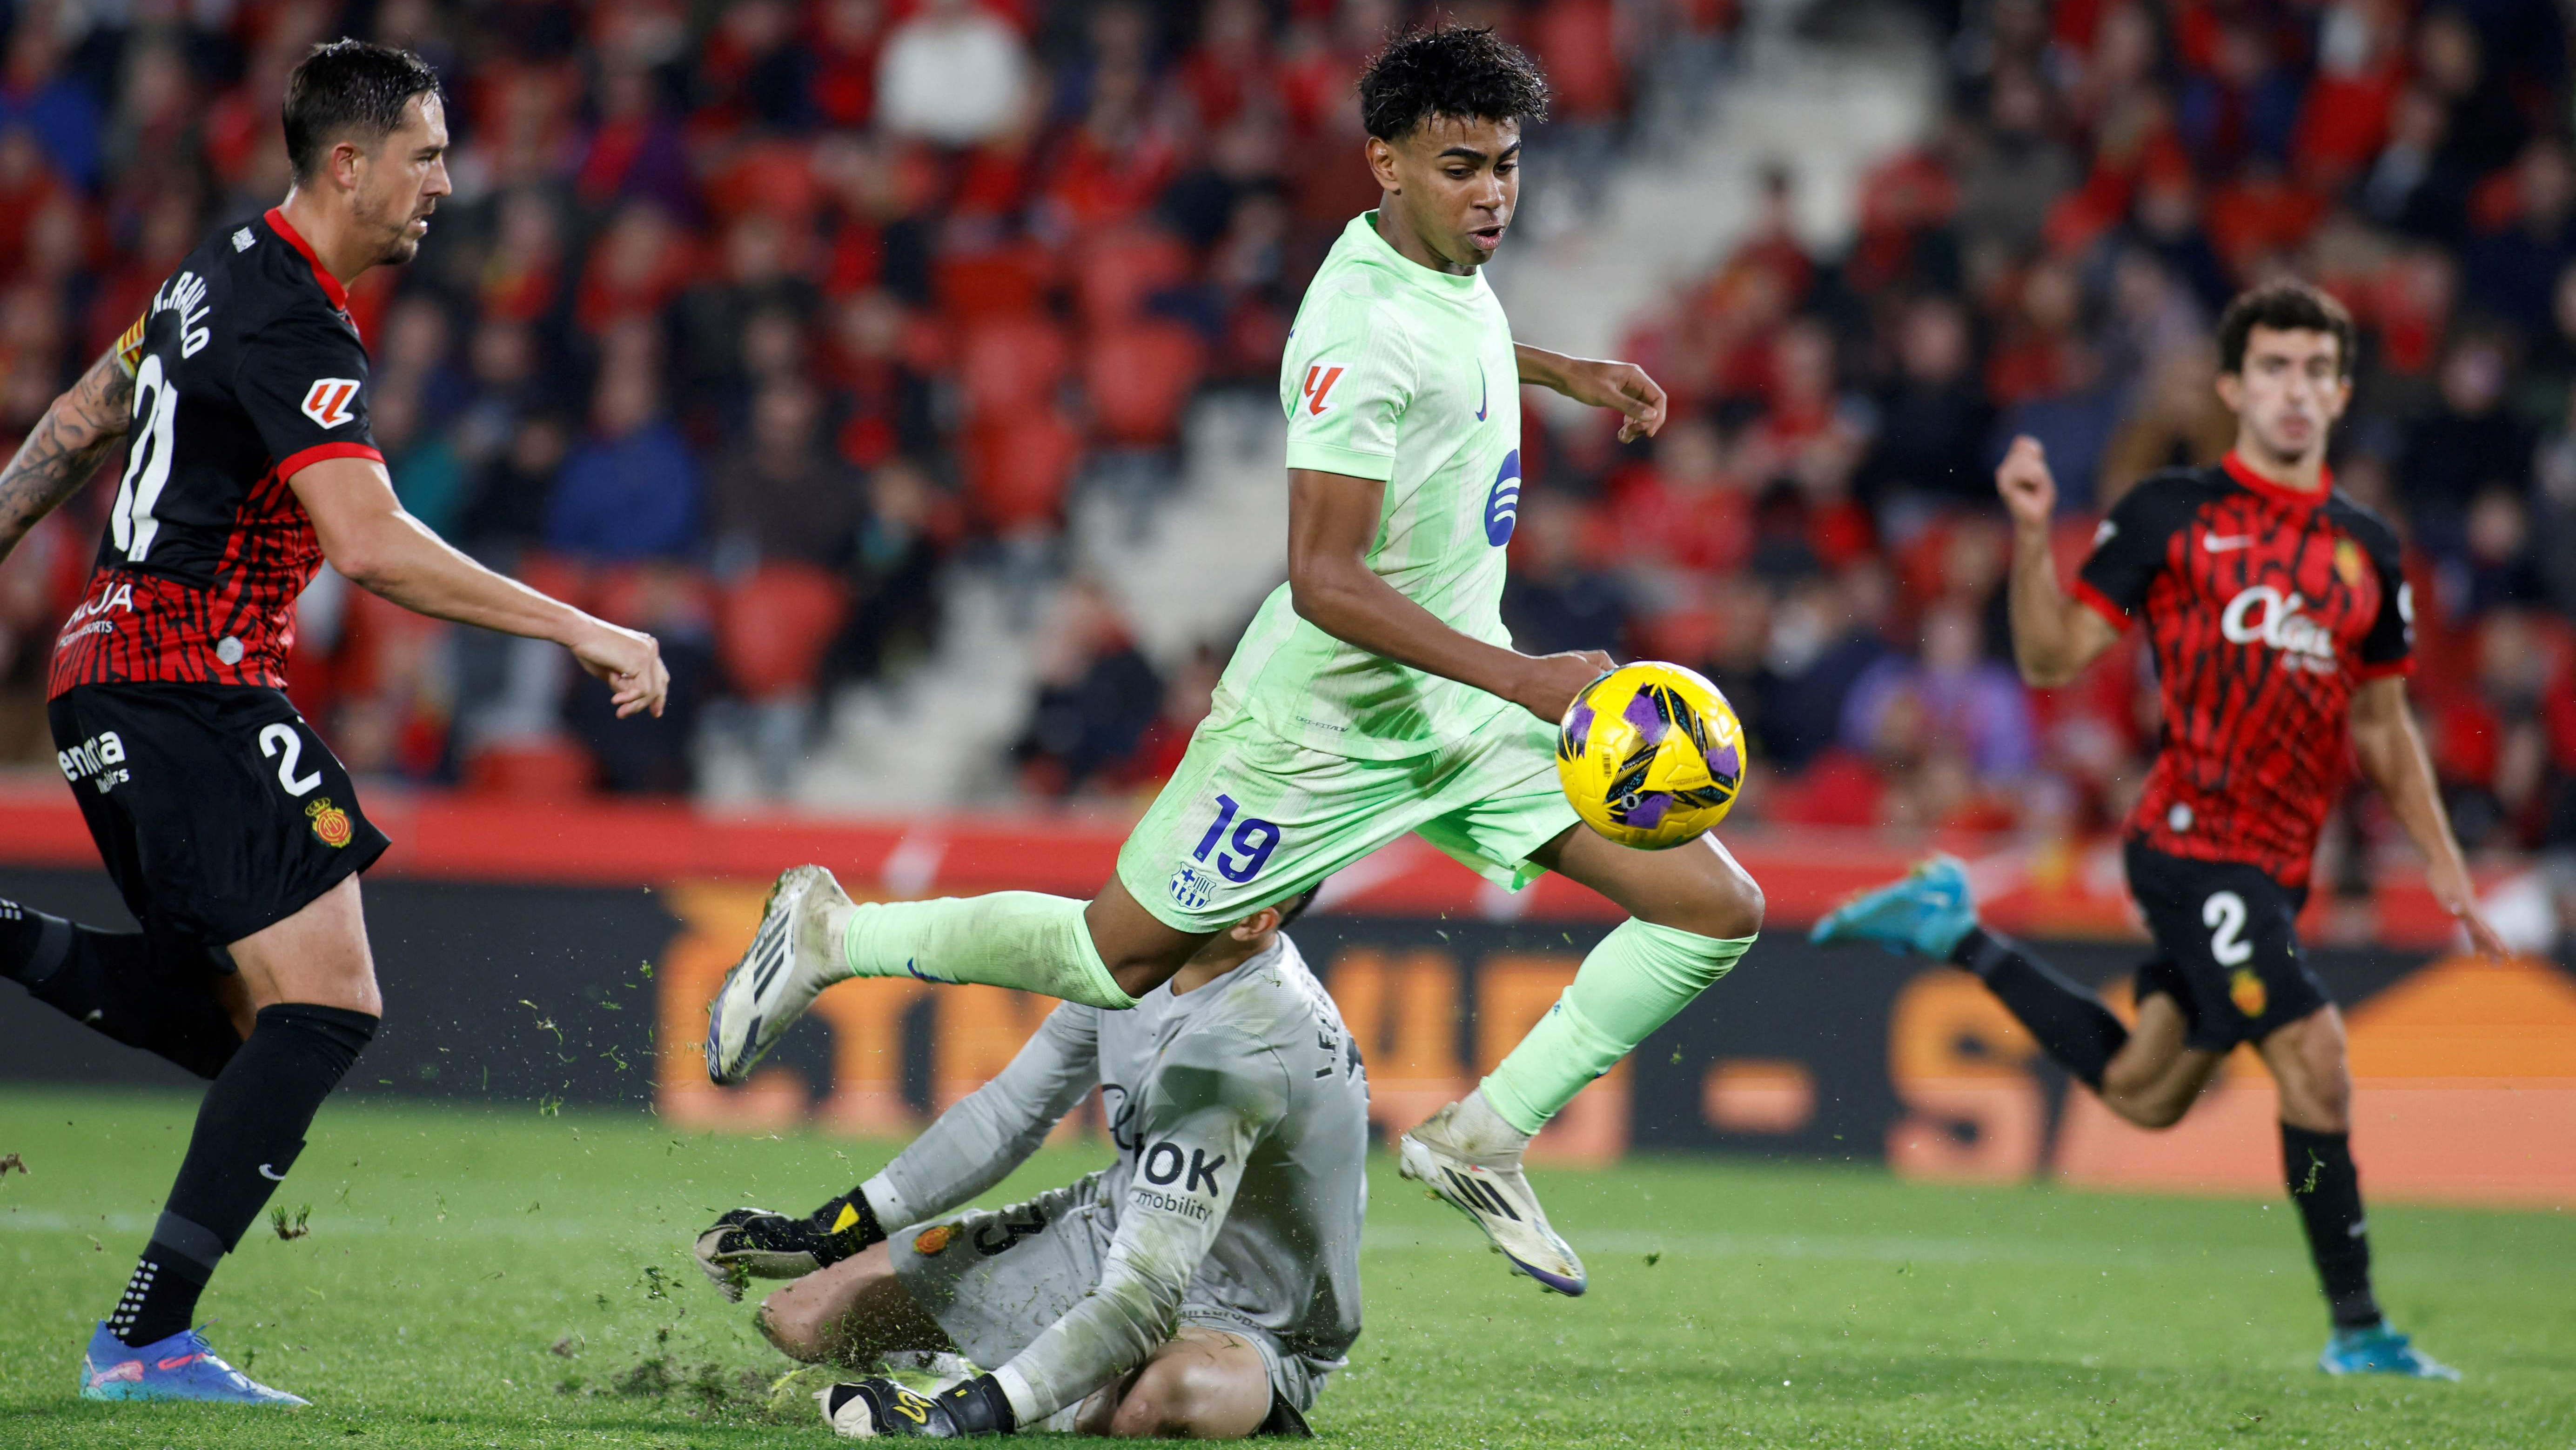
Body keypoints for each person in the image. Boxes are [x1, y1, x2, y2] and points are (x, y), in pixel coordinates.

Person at [705, 23, 1763, 1309]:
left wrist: (1551, 370)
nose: (1492, 193)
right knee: (1114, 964)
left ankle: (1482, 1134)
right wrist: (1521, 675)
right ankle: (834, 929)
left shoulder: (1441, 263)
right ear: (1383, 160)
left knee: (1714, 906)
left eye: (1507, 165)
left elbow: (1452, 347)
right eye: (1460, 167)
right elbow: (1326, 580)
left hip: (1457, 712)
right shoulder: (1356, 326)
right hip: (1322, 728)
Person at [0, 41, 669, 1406]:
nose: (445, 181)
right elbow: (366, 545)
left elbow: (81, 416)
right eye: (424, 155)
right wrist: (578, 622)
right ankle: (142, 1339)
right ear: (348, 164)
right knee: (328, 1002)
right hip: (185, 668)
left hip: (107, 669)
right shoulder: (294, 315)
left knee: (239, 1022)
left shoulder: (212, 269)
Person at [1811, 282, 2502, 1380]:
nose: (2292, 389)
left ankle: (1953, 930)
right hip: (2189, 840)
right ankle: (2359, 1325)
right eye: (2270, 367)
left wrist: (2444, 864)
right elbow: (2049, 659)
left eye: (2313, 370)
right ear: (2232, 387)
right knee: (2313, 1063)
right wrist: (2034, 534)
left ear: (2339, 392)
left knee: (2143, 1092)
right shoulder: (2170, 513)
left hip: (2274, 871)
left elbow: (2380, 722)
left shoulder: (2367, 550)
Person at [694, 890, 1361, 1439]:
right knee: (801, 1316)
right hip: (1105, 1234)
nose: (1163, 872)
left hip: (1246, 1318)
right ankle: (1015, 1368)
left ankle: (985, 1380)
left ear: (1252, 921)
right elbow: (1004, 1117)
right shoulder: (1138, 961)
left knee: (1158, 1402)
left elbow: (1143, 1296)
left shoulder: (1250, 1046)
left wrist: (960, 1412)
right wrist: (827, 1232)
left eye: (1194, 873)